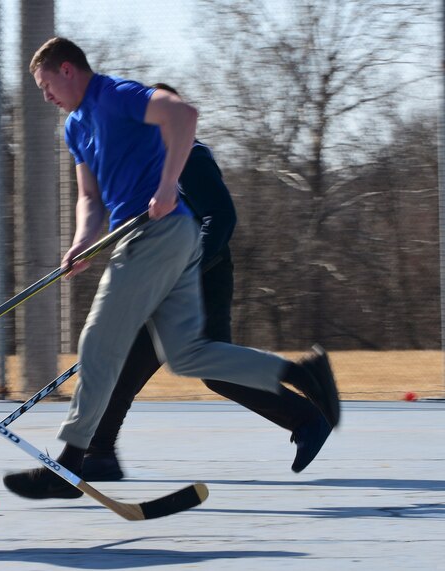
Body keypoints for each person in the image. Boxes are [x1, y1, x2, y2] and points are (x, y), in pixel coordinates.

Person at [3, 37, 340, 500]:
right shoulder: (78, 128)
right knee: (183, 358)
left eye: (45, 85)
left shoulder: (142, 118)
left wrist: (167, 196)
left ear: (66, 70)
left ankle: (73, 462)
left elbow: (219, 216)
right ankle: (302, 377)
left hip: (191, 260)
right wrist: (84, 240)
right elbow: (89, 197)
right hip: (155, 251)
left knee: (101, 345)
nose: (45, 97)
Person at [81, 84, 332, 482]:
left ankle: (307, 415)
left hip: (202, 277)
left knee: (185, 366)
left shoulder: (191, 158)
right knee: (130, 362)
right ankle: (99, 453)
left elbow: (221, 216)